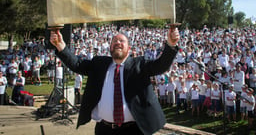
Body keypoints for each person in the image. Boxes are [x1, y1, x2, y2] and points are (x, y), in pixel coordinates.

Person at [50, 27, 179, 135]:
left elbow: (161, 65)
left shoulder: (139, 65)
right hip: (104, 130)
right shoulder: (99, 64)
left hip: (134, 130)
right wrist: (60, 45)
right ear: (110, 47)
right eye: (114, 41)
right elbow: (77, 64)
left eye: (122, 41)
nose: (118, 42)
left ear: (129, 48)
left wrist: (171, 44)